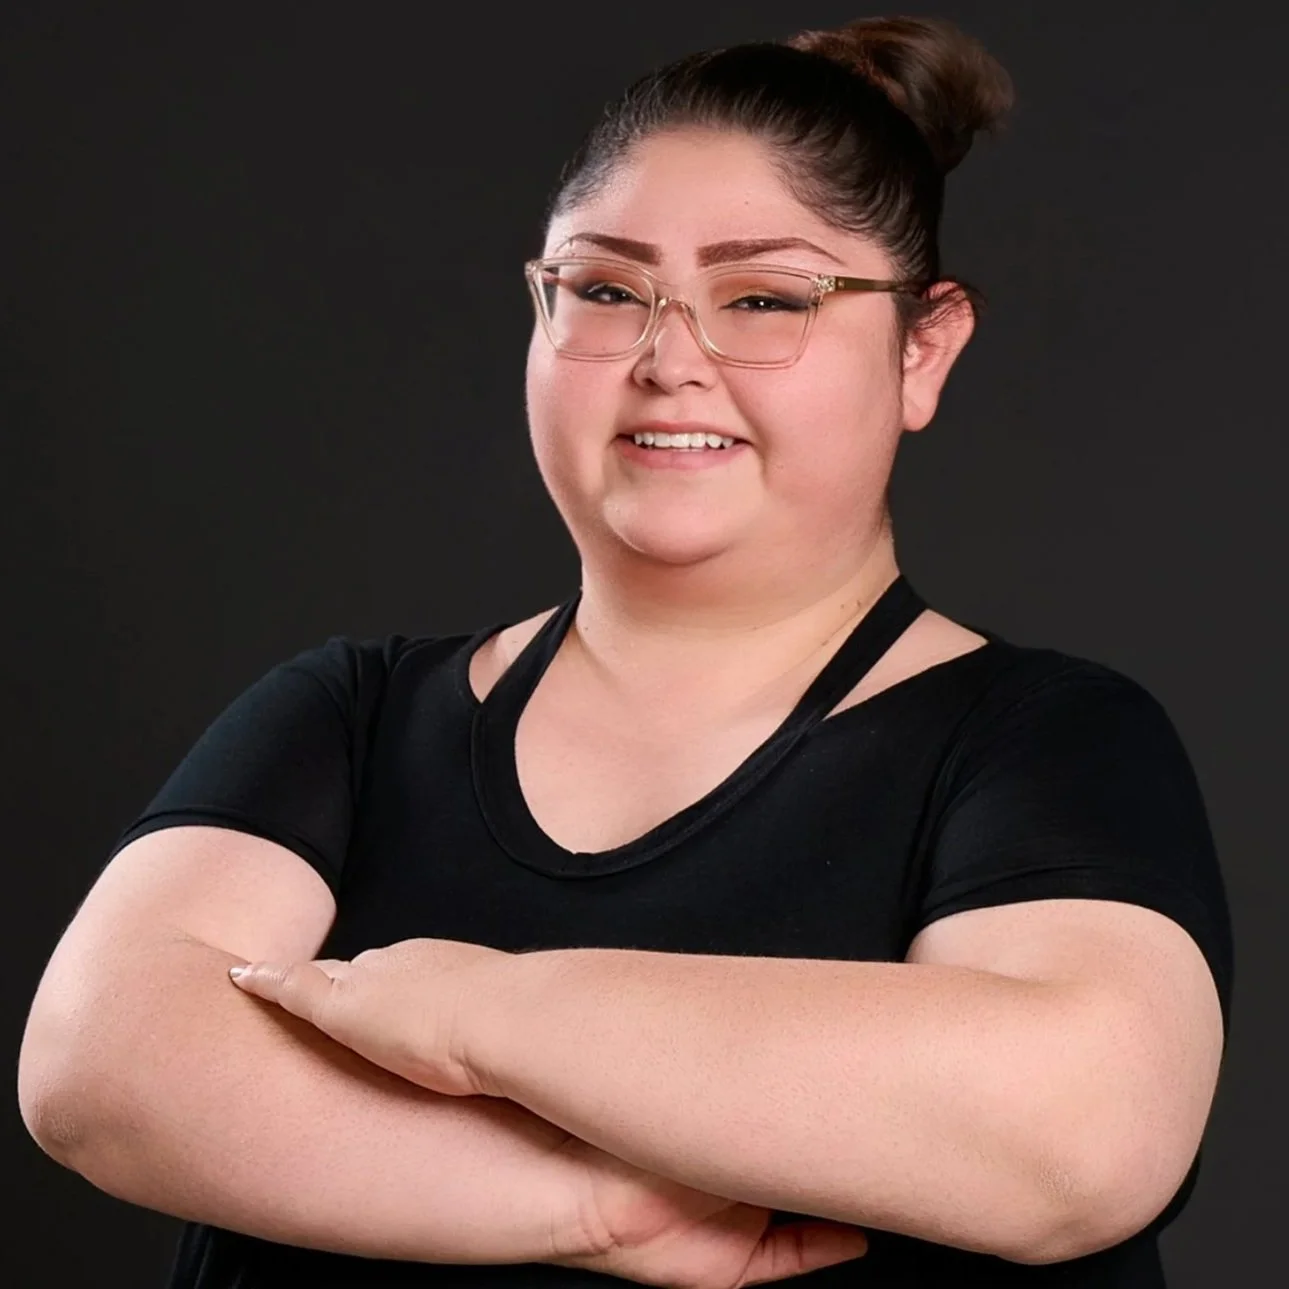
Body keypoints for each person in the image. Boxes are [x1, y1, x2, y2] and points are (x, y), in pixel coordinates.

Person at [18, 14, 1233, 1289]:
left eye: (762, 299)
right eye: (605, 290)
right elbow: (99, 1068)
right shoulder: (346, 715)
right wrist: (593, 1206)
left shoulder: (1046, 741)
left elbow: (1077, 1135)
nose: (667, 363)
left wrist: (470, 1012)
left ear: (921, 348)